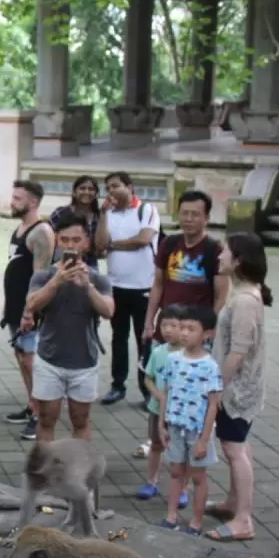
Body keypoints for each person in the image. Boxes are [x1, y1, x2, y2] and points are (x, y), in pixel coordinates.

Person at [24, 211, 115, 442]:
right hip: (48, 358)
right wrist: (57, 280)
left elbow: (108, 311)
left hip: (84, 361)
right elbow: (32, 304)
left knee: (81, 419)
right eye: (64, 240)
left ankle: (80, 471)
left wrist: (87, 287)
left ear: (86, 241)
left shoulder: (98, 278)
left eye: (76, 240)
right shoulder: (44, 275)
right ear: (56, 240)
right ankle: (45, 471)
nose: (70, 246)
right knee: (46, 418)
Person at [205, 232, 272, 543]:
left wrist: (217, 389)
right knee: (238, 446)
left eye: (225, 252)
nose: (219, 257)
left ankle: (243, 519)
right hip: (239, 388)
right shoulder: (246, 292)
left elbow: (238, 352)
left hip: (237, 392)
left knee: (234, 450)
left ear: (239, 260)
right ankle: (233, 504)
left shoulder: (245, 300)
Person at [94, 171, 161, 406]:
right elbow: (100, 244)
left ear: (130, 187)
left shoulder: (147, 210)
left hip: (144, 287)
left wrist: (113, 245)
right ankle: (117, 385)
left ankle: (147, 390)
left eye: (116, 186)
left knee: (145, 339)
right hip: (116, 287)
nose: (112, 191)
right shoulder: (109, 215)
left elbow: (142, 240)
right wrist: (102, 214)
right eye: (108, 187)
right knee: (118, 338)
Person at [143, 189, 229, 369]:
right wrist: (149, 321)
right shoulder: (169, 244)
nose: (189, 219)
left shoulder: (214, 249)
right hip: (167, 327)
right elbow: (158, 285)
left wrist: (210, 328)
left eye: (195, 214)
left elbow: (221, 295)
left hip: (196, 331)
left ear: (206, 218)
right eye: (185, 213)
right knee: (159, 376)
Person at [157, 304, 223, 537]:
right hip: (175, 426)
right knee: (176, 472)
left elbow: (213, 404)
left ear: (207, 334)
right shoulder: (173, 359)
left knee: (198, 477)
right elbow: (166, 391)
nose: (184, 333)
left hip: (197, 431)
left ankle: (196, 522)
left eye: (191, 329)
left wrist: (205, 440)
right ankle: (171, 516)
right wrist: (161, 424)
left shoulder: (210, 366)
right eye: (182, 328)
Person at [2, 180, 55, 440]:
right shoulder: (20, 228)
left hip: (30, 311)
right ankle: (32, 405)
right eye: (13, 197)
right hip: (15, 308)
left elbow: (41, 278)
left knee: (32, 361)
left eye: (17, 198)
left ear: (33, 202)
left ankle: (41, 415)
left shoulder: (41, 232)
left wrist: (29, 312)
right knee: (22, 358)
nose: (12, 202)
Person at [138, 304, 188, 510]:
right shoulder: (158, 352)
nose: (167, 330)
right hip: (157, 409)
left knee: (181, 450)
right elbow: (148, 378)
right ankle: (152, 482)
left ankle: (182, 489)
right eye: (164, 324)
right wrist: (157, 395)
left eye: (173, 325)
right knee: (156, 445)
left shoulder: (190, 354)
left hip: (181, 413)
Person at [46, 175, 100, 268]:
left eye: (91, 189)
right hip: (61, 260)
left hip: (89, 263)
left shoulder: (99, 217)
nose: (87, 192)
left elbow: (101, 247)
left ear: (96, 194)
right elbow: (47, 236)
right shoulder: (60, 212)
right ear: (74, 192)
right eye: (82, 188)